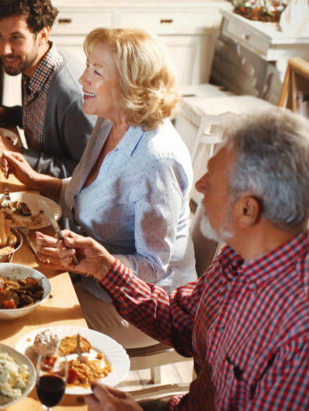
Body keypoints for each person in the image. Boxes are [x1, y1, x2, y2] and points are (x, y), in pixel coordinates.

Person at [44, 109, 309, 410]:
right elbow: (179, 319)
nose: (200, 185)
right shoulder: (239, 258)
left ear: (247, 210)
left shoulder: (298, 334)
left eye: (214, 180)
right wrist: (105, 268)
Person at [5, 27, 196, 349]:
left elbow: (152, 266)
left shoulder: (155, 159)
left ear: (131, 83)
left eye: (96, 71)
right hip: (93, 276)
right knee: (8, 282)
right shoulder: (110, 121)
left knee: (25, 322)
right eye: (87, 67)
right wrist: (36, 181)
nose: (83, 79)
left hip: (143, 306)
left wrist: (91, 262)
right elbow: (91, 191)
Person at [0, 0, 94, 178]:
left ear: (42, 35)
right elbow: (43, 121)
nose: (4, 50)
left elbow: (87, 174)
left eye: (16, 37)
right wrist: (3, 114)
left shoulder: (72, 95)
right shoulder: (32, 65)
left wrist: (19, 154)